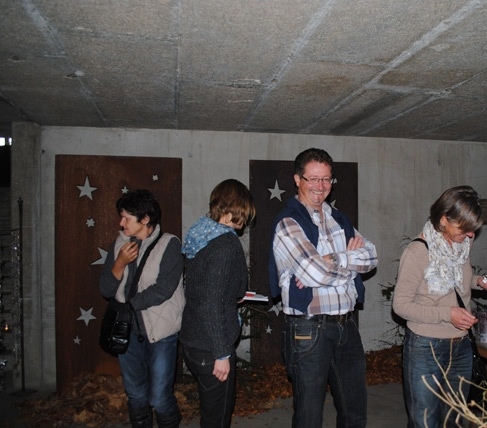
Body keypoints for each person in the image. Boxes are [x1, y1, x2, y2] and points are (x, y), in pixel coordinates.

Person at [269, 148, 378, 428]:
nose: (320, 186)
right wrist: (349, 262)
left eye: (326, 179)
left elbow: (372, 257)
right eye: (313, 178)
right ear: (298, 179)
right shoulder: (288, 222)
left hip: (346, 325)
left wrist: (333, 259)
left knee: (355, 410)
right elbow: (314, 272)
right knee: (309, 415)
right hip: (309, 330)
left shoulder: (339, 219)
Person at [392, 185, 487, 428]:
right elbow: (400, 305)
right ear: (444, 220)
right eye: (465, 228)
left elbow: (456, 281)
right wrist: (447, 314)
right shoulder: (417, 252)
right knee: (425, 420)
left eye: (473, 229)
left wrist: (479, 281)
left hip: (461, 345)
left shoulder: (461, 244)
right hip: (425, 347)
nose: (470, 235)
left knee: (457, 418)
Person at [99, 189, 185, 428]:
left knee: (159, 398)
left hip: (160, 331)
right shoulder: (119, 245)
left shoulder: (169, 244)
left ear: (145, 219)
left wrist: (129, 305)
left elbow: (164, 289)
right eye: (121, 217)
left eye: (127, 218)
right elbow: (106, 288)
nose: (121, 223)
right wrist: (119, 263)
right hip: (127, 331)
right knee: (136, 395)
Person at [179, 179, 256, 428]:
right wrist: (221, 354)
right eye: (246, 211)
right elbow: (212, 303)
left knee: (211, 413)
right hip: (212, 347)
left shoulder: (200, 236)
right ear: (239, 207)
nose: (246, 219)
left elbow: (205, 291)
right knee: (217, 418)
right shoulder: (226, 244)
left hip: (193, 339)